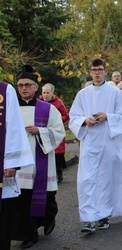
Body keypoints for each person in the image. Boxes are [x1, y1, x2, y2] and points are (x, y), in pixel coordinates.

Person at [69, 58, 122, 233]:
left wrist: (108, 116)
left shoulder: (115, 93)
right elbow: (73, 117)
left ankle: (103, 216)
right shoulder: (83, 94)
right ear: (90, 72)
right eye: (94, 70)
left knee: (105, 180)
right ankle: (88, 219)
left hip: (109, 143)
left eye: (100, 69)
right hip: (89, 143)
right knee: (86, 180)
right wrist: (84, 120)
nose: (97, 72)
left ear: (105, 71)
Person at [12, 65, 65, 249]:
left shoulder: (48, 109)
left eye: (27, 85)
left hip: (40, 161)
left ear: (36, 87)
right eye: (20, 85)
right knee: (22, 200)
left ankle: (49, 218)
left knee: (47, 198)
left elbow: (59, 131)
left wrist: (40, 131)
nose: (23, 88)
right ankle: (29, 234)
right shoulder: (11, 108)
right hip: (18, 162)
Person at [0, 81, 34, 250]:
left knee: (3, 212)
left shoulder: (5, 90)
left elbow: (13, 125)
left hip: (3, 165)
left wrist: (12, 162)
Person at [39, 83, 69, 183]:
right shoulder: (38, 102)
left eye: (48, 92)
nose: (46, 95)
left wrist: (58, 121)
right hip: (42, 130)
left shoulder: (58, 103)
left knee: (57, 154)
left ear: (52, 93)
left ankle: (58, 173)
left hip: (55, 130)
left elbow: (65, 115)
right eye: (44, 92)